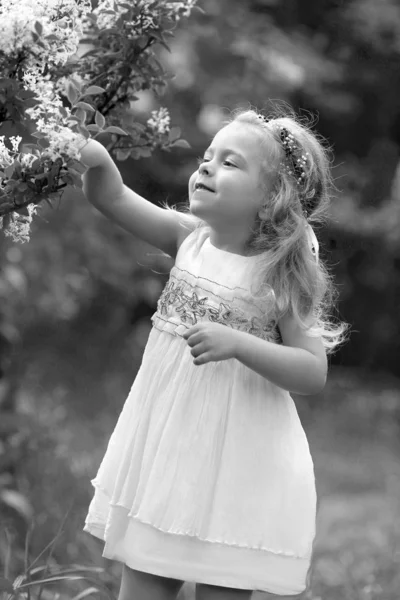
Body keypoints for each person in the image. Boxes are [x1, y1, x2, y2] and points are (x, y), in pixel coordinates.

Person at [81, 107, 347, 600]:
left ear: (272, 197)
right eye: (206, 156)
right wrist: (96, 161)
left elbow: (312, 371)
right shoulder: (189, 240)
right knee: (142, 577)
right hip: (169, 453)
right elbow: (111, 196)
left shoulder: (279, 274)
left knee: (222, 587)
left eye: (230, 163)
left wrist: (240, 343)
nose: (205, 167)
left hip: (239, 465)